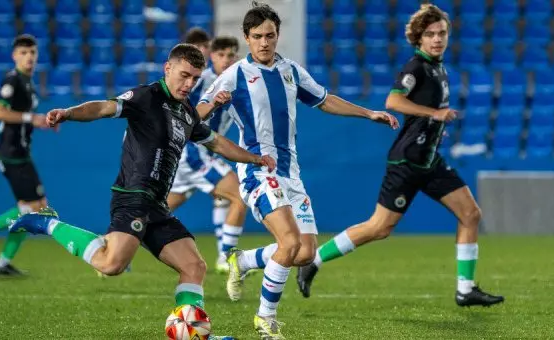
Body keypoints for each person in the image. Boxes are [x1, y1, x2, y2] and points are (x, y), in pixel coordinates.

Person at [8, 44, 275, 339]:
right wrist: (68, 113)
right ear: (168, 68)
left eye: (195, 79)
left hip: (157, 206)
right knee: (111, 264)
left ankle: (199, 334)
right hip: (133, 196)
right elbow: (102, 107)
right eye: (184, 75)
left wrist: (255, 158)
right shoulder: (146, 97)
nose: (189, 84)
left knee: (194, 266)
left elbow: (218, 143)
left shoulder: (186, 112)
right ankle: (44, 222)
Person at [196, 2, 399, 338]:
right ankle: (265, 319)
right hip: (258, 169)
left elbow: (324, 99)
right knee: (288, 242)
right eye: (258, 36)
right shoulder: (233, 75)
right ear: (247, 38)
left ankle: (243, 261)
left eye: (270, 35)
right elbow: (198, 112)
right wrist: (212, 104)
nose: (265, 42)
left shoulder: (290, 70)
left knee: (304, 252)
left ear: (277, 36)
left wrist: (368, 113)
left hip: (290, 172)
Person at [296, 4, 505, 308]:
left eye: (442, 33)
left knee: (470, 214)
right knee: (379, 228)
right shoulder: (416, 67)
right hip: (406, 161)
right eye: (430, 34)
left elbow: (422, 115)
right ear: (419, 39)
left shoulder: (439, 68)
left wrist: (434, 126)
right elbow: (393, 100)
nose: (437, 39)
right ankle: (314, 260)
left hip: (429, 158)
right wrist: (435, 113)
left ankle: (465, 289)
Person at [0, 34, 53, 276]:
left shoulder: (28, 82)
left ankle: (2, 262)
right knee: (33, 209)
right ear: (15, 56)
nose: (29, 58)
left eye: (32, 53)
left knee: (35, 208)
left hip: (21, 154)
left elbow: (24, 118)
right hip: (11, 154)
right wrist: (30, 118)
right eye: (24, 53)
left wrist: (42, 121)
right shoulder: (13, 80)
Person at [171, 36, 245, 273]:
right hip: (193, 152)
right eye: (221, 54)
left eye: (231, 55)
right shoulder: (203, 80)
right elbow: (185, 116)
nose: (226, 59)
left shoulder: (233, 79)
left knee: (157, 212)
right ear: (211, 56)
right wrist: (212, 103)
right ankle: (226, 257)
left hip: (195, 153)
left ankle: (117, 240)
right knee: (238, 197)